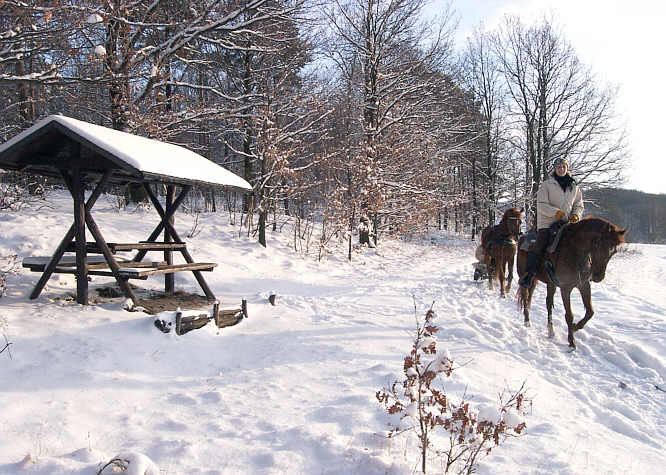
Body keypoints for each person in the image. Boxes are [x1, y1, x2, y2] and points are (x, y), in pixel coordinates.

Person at [518, 157, 584, 288]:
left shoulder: (574, 186)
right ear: (555, 169)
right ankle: (529, 274)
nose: (561, 169)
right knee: (540, 244)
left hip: (567, 223)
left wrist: (576, 214)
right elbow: (541, 204)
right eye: (559, 167)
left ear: (567, 168)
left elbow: (578, 204)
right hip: (548, 223)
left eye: (564, 167)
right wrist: (556, 213)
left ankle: (583, 271)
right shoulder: (547, 185)